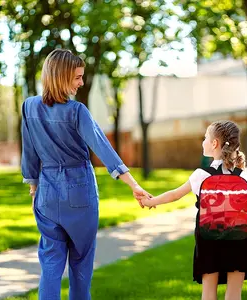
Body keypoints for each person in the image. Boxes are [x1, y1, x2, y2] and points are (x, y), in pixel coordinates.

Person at [21, 49, 150, 300]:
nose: (81, 83)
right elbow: (104, 148)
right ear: (61, 77)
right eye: (77, 77)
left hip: (46, 193)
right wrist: (133, 184)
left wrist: (34, 189)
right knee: (81, 264)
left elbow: (29, 153)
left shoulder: (29, 107)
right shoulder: (76, 111)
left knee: (50, 263)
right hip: (79, 191)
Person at [142, 120, 247, 300]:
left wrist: (151, 202)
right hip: (238, 242)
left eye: (205, 138)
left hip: (209, 242)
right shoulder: (243, 176)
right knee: (234, 295)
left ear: (214, 144)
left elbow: (175, 195)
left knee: (208, 294)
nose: (203, 142)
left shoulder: (202, 175)